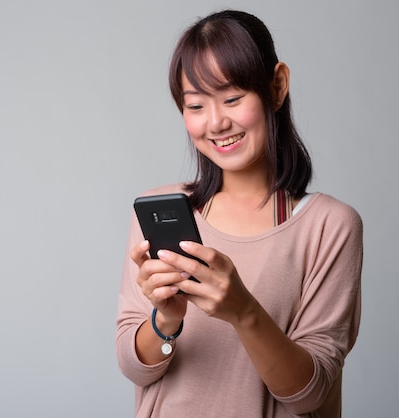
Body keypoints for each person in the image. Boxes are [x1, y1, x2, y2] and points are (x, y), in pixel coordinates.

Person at [115, 10, 363, 418]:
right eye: (196, 105)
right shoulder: (156, 209)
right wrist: (167, 319)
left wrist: (242, 310)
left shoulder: (329, 226)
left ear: (277, 86)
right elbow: (134, 367)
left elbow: (308, 393)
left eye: (232, 98)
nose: (216, 122)